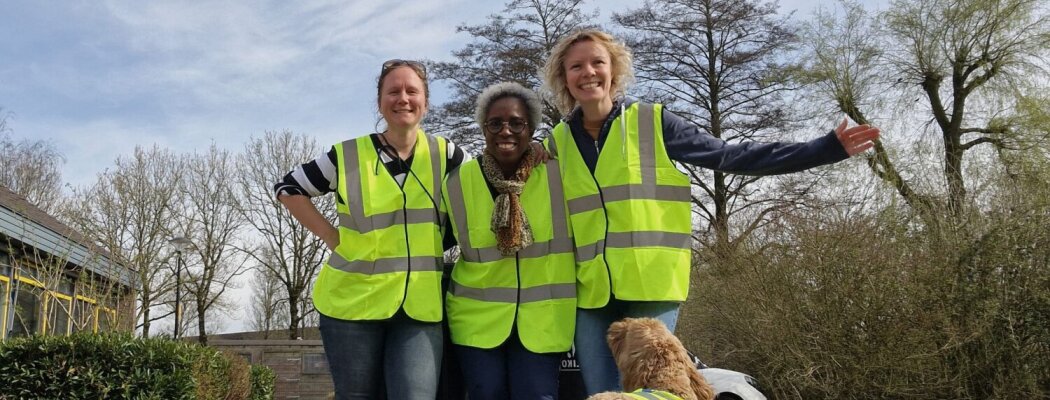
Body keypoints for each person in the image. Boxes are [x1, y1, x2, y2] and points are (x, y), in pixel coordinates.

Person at [539, 29, 881, 395]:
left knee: (654, 391)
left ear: (614, 70)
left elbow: (731, 155)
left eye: (597, 62)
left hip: (651, 285)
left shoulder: (653, 122)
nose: (588, 72)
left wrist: (824, 149)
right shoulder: (554, 144)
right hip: (591, 293)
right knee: (599, 393)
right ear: (564, 78)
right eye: (576, 66)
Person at [274, 59, 468, 400]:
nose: (403, 98)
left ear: (426, 101)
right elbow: (288, 189)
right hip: (352, 306)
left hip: (419, 307)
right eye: (393, 91)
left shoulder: (447, 154)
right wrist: (333, 239)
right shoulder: (347, 155)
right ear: (379, 101)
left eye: (412, 91)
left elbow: (488, 181)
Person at [441, 82, 576, 400]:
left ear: (531, 129)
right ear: (483, 128)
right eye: (495, 123)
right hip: (476, 322)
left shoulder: (558, 174)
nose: (506, 131)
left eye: (517, 123)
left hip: (544, 321)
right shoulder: (457, 181)